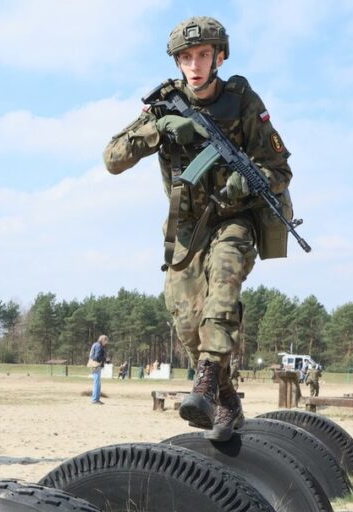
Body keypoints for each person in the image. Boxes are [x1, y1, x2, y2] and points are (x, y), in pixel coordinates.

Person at [103, 17, 292, 441]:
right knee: (187, 323)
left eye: (203, 55)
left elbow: (280, 169)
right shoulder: (165, 102)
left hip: (234, 220)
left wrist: (248, 178)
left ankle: (205, 382)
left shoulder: (242, 101)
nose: (194, 64)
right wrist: (158, 129)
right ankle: (226, 399)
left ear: (219, 56)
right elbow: (112, 158)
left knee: (222, 297)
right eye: (186, 57)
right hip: (187, 228)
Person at [88, 335, 109, 404]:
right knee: (97, 383)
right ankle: (95, 399)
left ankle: (96, 399)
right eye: (106, 341)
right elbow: (97, 357)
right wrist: (105, 359)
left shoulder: (95, 344)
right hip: (96, 365)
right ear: (103, 340)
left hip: (94, 365)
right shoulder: (99, 346)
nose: (106, 343)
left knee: (97, 383)